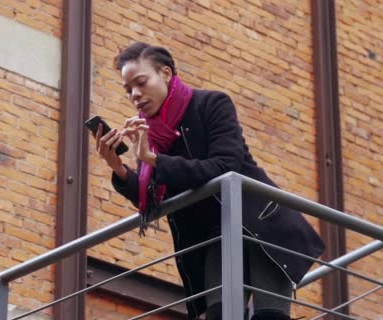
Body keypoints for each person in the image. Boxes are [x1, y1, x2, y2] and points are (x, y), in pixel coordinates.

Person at [93, 42, 325, 320]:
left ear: (165, 74)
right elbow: (156, 201)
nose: (135, 95)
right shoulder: (148, 134)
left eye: (141, 83)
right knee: (218, 315)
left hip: (261, 225)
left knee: (269, 317)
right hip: (217, 236)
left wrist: (154, 160)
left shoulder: (211, 104)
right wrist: (117, 166)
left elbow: (225, 166)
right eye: (128, 89)